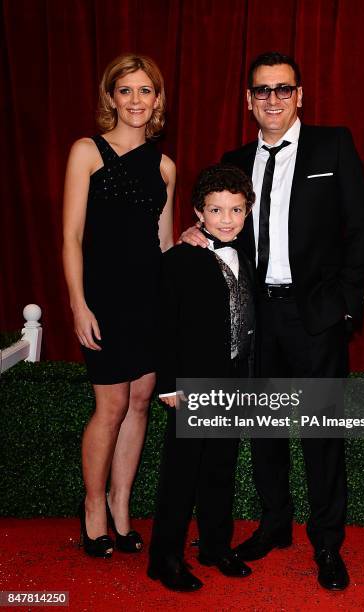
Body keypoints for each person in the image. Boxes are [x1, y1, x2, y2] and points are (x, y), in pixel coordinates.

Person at [180, 51, 364, 590]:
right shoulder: (235, 159)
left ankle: (328, 543)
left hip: (315, 315)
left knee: (319, 433)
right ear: (248, 100)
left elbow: (362, 229)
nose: (272, 99)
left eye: (283, 89)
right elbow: (224, 226)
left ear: (300, 95)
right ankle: (274, 525)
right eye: (262, 90)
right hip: (256, 317)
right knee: (265, 430)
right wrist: (197, 234)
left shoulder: (333, 145)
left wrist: (344, 304)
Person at [62, 53, 175, 558]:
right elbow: (70, 236)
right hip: (103, 299)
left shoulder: (166, 166)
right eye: (125, 90)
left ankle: (122, 507)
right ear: (111, 98)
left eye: (144, 90)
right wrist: (78, 305)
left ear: (157, 100)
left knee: (140, 401)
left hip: (150, 299)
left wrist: (176, 310)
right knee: (109, 405)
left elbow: (166, 246)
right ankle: (93, 510)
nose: (135, 100)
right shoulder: (86, 151)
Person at [147, 164, 256, 591]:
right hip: (191, 384)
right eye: (216, 210)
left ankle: (214, 546)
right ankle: (165, 558)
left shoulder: (244, 257)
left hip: (232, 381)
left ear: (247, 213)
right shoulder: (179, 260)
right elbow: (165, 327)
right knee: (182, 472)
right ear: (198, 213)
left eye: (236, 210)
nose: (226, 219)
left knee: (220, 468)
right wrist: (170, 384)